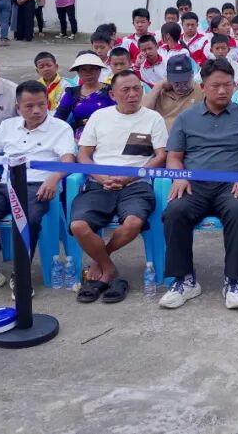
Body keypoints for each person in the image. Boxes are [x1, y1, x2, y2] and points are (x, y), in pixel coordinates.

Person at [0, 80, 76, 299]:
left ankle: (21, 274)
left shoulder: (60, 128)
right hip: (6, 185)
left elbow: (68, 160)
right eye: (29, 106)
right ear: (18, 107)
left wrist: (54, 178)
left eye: (41, 104)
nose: (37, 110)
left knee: (27, 219)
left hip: (37, 187)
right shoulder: (8, 126)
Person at [160, 59, 238, 310]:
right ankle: (184, 279)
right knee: (175, 211)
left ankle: (233, 280)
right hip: (194, 184)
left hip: (231, 184)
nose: (222, 90)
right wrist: (179, 176)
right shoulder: (186, 118)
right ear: (203, 87)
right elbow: (174, 157)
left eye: (228, 85)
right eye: (216, 85)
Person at [71, 70, 167, 304]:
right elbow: (83, 155)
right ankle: (109, 268)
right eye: (126, 90)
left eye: (137, 89)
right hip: (99, 183)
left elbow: (160, 156)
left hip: (137, 183)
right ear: (113, 95)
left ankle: (101, 261)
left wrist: (129, 178)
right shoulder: (99, 116)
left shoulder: (153, 118)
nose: (133, 94)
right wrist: (101, 177)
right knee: (78, 226)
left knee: (133, 222)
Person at [55, 52, 116, 137]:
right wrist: (79, 123)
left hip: (109, 135)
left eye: (92, 69)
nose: (88, 73)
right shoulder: (72, 93)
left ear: (99, 70)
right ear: (78, 72)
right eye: (83, 69)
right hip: (79, 138)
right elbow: (58, 120)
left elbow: (120, 115)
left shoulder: (111, 91)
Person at [141, 54, 206, 130]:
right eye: (176, 82)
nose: (181, 86)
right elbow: (142, 114)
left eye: (185, 81)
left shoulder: (202, 91)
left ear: (192, 74)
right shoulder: (160, 92)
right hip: (161, 134)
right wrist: (158, 86)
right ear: (168, 79)